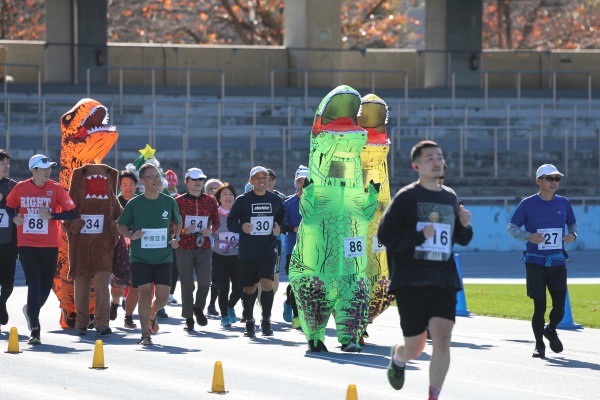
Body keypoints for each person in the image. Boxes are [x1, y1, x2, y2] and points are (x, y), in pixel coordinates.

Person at [377, 140, 473, 399]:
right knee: (415, 347)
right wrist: (419, 236)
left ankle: (433, 396)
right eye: (429, 158)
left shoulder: (450, 197)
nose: (437, 161)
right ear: (416, 165)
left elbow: (461, 239)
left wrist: (464, 225)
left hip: (443, 278)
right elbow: (386, 234)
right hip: (411, 280)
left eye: (440, 156)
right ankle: (399, 358)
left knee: (442, 339)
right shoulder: (407, 197)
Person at [507, 164, 577, 359]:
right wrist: (528, 236)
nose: (554, 182)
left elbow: (573, 224)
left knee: (560, 306)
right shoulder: (527, 204)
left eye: (557, 179)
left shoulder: (564, 203)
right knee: (540, 306)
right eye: (550, 178)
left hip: (557, 262)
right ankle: (539, 345)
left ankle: (551, 329)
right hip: (535, 262)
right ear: (539, 181)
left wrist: (573, 235)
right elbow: (512, 227)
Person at [6, 154, 77, 345]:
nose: (48, 171)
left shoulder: (56, 189)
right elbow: (9, 206)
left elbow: (72, 212)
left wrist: (53, 215)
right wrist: (15, 218)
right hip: (27, 243)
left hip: (50, 244)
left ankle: (30, 310)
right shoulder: (20, 188)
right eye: (43, 168)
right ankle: (35, 329)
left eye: (49, 168)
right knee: (35, 283)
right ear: (33, 170)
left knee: (46, 286)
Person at [116, 162, 182, 345]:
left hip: (164, 257)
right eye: (151, 176)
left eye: (157, 176)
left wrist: (177, 238)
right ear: (142, 182)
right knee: (144, 294)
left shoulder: (168, 202)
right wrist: (131, 235)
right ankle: (145, 334)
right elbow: (120, 225)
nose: (156, 179)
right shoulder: (134, 204)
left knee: (161, 297)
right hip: (140, 258)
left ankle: (153, 313)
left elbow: (178, 221)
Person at [227, 166, 284, 337]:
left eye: (265, 177)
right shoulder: (242, 200)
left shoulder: (275, 200)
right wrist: (241, 227)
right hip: (248, 251)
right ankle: (249, 320)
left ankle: (266, 320)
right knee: (250, 287)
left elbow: (281, 220)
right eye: (257, 178)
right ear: (251, 181)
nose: (262, 180)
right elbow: (231, 223)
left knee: (267, 284)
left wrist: (278, 228)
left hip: (267, 249)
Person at [175, 168, 219, 331]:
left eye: (200, 179)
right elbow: (172, 224)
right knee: (187, 284)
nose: (198, 182)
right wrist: (186, 230)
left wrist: (211, 230)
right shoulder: (178, 201)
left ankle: (198, 308)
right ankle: (188, 316)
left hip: (204, 246)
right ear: (186, 181)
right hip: (184, 247)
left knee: (205, 282)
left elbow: (216, 221)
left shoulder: (210, 201)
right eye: (194, 179)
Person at [110, 170, 139, 329]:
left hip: (137, 249)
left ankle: (128, 317)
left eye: (131, 185)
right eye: (124, 185)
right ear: (120, 186)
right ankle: (114, 302)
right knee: (117, 284)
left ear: (136, 186)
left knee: (135, 285)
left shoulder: (141, 202)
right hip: (118, 248)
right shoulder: (115, 202)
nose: (128, 188)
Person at [211, 183, 241, 327]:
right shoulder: (214, 214)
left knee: (238, 287)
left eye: (230, 194)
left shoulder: (240, 213)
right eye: (224, 194)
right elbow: (207, 230)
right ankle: (224, 316)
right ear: (219, 198)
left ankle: (230, 306)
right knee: (223, 287)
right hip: (219, 256)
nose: (228, 197)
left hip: (237, 257)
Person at [282, 166, 308, 329]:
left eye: (305, 181)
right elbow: (281, 226)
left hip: (313, 251)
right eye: (299, 181)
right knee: (295, 283)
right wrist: (294, 229)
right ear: (295, 183)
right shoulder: (289, 203)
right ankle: (297, 316)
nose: (302, 184)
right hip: (293, 249)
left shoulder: (319, 202)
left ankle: (307, 313)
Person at [0, 149, 18, 331]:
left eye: (7, 163)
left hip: (9, 242)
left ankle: (1, 301)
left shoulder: (13, 186)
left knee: (8, 283)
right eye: (2, 163)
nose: (6, 166)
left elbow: (22, 205)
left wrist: (4, 199)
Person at [204, 178, 223, 316]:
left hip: (222, 247)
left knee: (217, 278)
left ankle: (212, 304)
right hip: (204, 246)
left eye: (218, 188)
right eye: (212, 189)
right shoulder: (203, 207)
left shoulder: (228, 208)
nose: (215, 191)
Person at [164, 169, 180, 306]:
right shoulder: (160, 197)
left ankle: (170, 293)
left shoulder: (180, 198)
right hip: (163, 235)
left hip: (176, 236)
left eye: (172, 182)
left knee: (175, 266)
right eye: (168, 182)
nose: (170, 184)